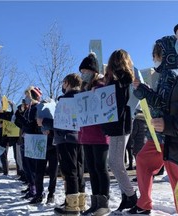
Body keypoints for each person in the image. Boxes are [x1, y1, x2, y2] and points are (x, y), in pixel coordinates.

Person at [128, 34, 178, 215]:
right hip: (161, 134)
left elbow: (161, 103)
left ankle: (144, 203)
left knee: (173, 176)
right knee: (143, 161)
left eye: (155, 55)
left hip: (166, 134)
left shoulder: (170, 74)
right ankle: (144, 203)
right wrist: (144, 90)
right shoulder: (168, 73)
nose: (153, 59)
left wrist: (143, 90)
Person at [40, 74, 85, 215]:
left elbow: (61, 122)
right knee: (79, 170)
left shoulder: (66, 100)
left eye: (63, 83)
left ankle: (71, 207)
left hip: (66, 139)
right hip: (81, 138)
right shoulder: (83, 98)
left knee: (69, 171)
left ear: (67, 83)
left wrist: (45, 123)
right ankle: (80, 202)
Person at [102, 49, 137, 212]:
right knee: (116, 162)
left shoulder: (126, 78)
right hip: (115, 124)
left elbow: (127, 100)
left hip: (121, 124)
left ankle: (131, 196)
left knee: (115, 163)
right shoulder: (112, 80)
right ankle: (126, 197)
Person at [78, 53, 110, 216]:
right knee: (91, 168)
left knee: (100, 167)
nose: (83, 73)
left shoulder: (101, 87)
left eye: (86, 70)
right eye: (82, 71)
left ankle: (104, 202)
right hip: (86, 135)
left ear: (93, 71)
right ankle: (95, 202)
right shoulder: (83, 89)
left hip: (99, 134)